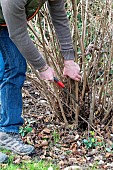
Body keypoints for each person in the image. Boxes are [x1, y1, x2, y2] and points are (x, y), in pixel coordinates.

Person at [0, 0, 81, 163]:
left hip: (4, 21)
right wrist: (42, 67)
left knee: (15, 66)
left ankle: (7, 132)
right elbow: (18, 34)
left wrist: (69, 59)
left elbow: (59, 16)